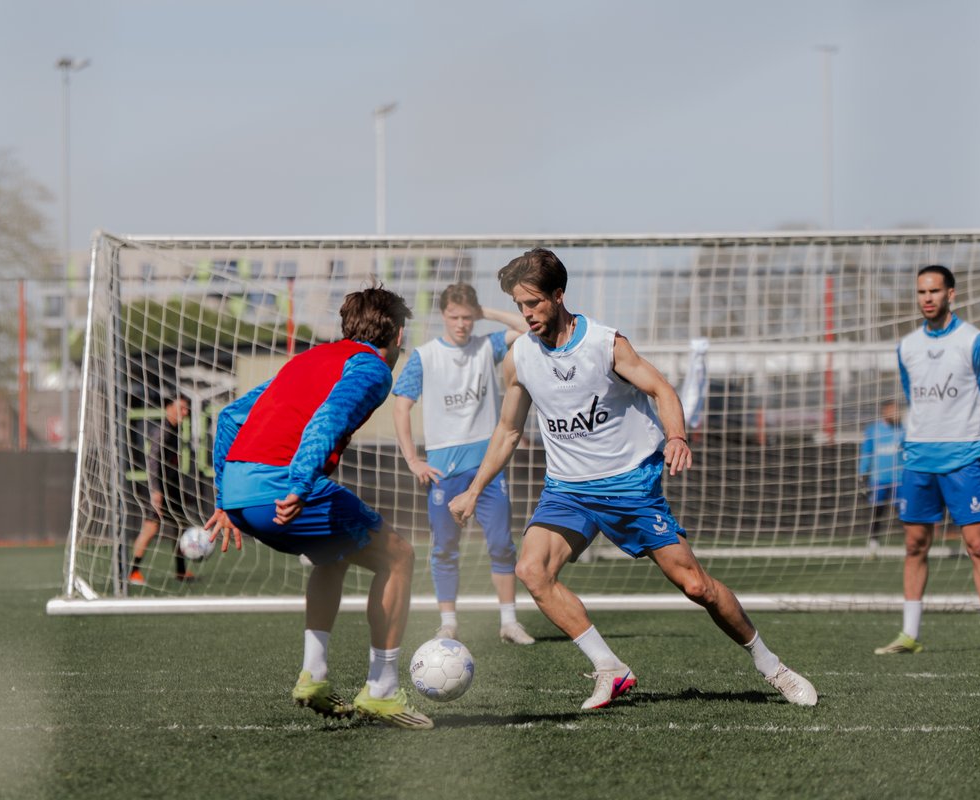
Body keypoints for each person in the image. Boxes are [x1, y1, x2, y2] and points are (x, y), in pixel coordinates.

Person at [448, 248, 817, 710]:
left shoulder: (605, 343)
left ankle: (773, 667)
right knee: (531, 570)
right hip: (567, 490)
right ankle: (610, 668)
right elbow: (507, 430)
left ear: (558, 295)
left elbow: (661, 388)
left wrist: (676, 436)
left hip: (628, 485)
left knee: (696, 586)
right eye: (519, 305)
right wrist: (474, 489)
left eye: (533, 303)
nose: (526, 314)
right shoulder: (520, 356)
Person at [204, 284, 434, 730]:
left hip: (239, 488)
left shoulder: (307, 359)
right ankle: (383, 689)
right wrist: (298, 483)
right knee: (399, 556)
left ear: (346, 326)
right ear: (399, 336)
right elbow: (327, 419)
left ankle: (315, 676)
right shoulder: (372, 368)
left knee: (332, 557)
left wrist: (224, 501)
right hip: (281, 486)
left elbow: (231, 415)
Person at [875, 264, 980, 658]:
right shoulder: (907, 347)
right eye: (921, 292)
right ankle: (909, 635)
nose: (927, 299)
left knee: (977, 545)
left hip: (964, 456)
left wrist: (966, 428)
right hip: (918, 457)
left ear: (951, 294)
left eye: (934, 291)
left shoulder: (974, 342)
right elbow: (912, 394)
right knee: (915, 544)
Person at [392, 282, 534, 645]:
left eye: (468, 317)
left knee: (502, 543)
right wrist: (413, 460)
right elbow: (401, 405)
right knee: (444, 547)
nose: (461, 324)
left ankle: (508, 622)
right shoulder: (424, 357)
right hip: (443, 468)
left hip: (486, 467)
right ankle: (449, 622)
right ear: (443, 316)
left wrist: (487, 313)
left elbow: (526, 328)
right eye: (455, 317)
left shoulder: (487, 346)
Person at [129, 395, 197, 586]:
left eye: (186, 409)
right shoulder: (163, 431)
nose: (185, 412)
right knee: (150, 528)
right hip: (161, 490)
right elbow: (153, 461)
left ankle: (181, 571)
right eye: (181, 407)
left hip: (171, 490)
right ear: (169, 407)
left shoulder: (175, 430)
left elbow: (171, 466)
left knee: (180, 527)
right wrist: (155, 490)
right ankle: (133, 572)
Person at [858, 399, 904, 557]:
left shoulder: (903, 430)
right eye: (893, 410)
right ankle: (873, 543)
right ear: (885, 412)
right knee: (877, 511)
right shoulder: (874, 430)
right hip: (879, 478)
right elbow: (867, 452)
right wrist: (862, 474)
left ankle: (911, 542)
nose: (896, 413)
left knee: (904, 511)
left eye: (897, 410)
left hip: (899, 478)